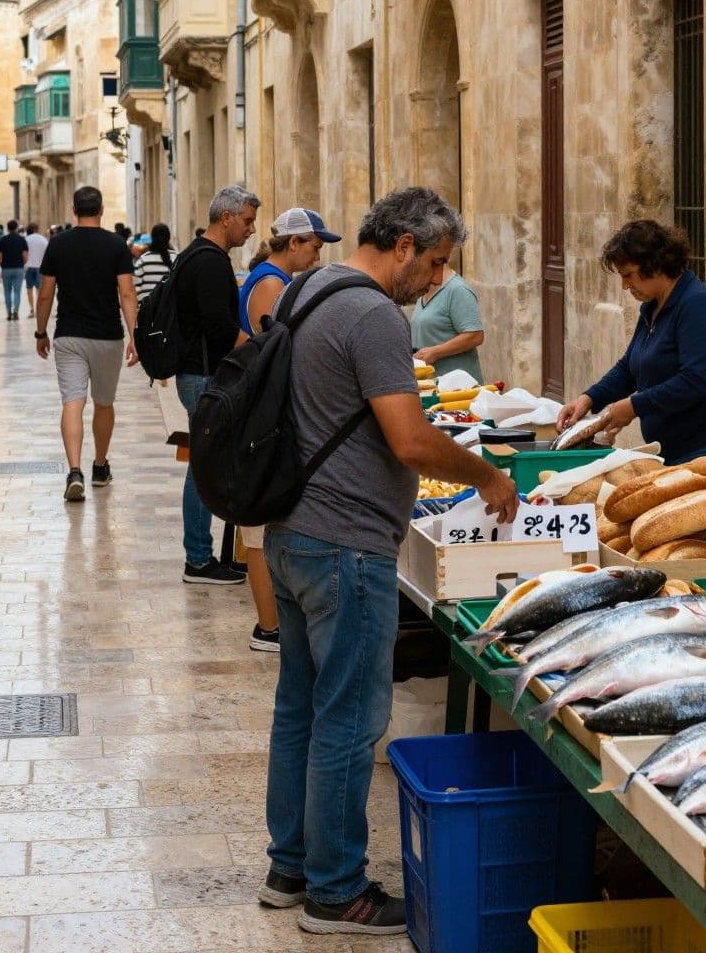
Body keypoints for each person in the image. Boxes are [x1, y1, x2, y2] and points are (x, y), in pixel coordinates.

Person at [259, 187, 517, 936]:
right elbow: (408, 439)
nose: (434, 280)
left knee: (300, 706)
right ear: (402, 244)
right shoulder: (372, 312)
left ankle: (291, 866)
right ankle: (337, 891)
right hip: (346, 543)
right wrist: (486, 474)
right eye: (433, 262)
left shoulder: (310, 287)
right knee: (350, 717)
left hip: (293, 530)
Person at [556, 219, 706, 483]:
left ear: (655, 264)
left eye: (628, 274)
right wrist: (589, 399)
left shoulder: (698, 305)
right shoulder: (652, 308)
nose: (625, 285)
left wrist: (634, 406)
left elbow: (694, 381)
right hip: (674, 450)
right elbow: (629, 368)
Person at [236, 208, 342, 652]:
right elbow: (273, 352)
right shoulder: (272, 284)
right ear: (294, 243)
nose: (317, 256)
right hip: (264, 416)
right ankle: (269, 627)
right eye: (315, 247)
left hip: (261, 413)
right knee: (260, 533)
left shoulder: (268, 277)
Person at [176, 185, 259, 588]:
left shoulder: (198, 254)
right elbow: (220, 327)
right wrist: (263, 347)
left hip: (198, 374)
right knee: (202, 468)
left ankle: (202, 555)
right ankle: (198, 559)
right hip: (203, 376)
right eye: (247, 221)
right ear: (225, 218)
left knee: (202, 465)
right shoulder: (209, 262)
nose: (251, 230)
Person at [33, 186, 139, 502]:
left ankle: (74, 471)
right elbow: (127, 294)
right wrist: (136, 336)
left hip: (69, 335)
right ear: (102, 209)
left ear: (73, 209)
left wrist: (41, 332)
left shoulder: (58, 245)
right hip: (108, 336)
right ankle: (100, 466)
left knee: (72, 402)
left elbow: (45, 294)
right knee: (104, 403)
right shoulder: (117, 245)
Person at [411, 257, 485, 380]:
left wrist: (435, 352)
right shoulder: (425, 288)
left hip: (459, 387)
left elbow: (475, 335)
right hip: (435, 385)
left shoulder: (458, 289)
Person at [133, 222, 176, 302]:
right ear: (168, 238)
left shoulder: (143, 260)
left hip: (147, 309)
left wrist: (142, 303)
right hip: (169, 309)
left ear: (152, 238)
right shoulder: (176, 258)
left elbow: (135, 286)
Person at [0, 220, 29, 320]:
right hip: (18, 268)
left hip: (6, 269)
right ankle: (16, 311)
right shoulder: (21, 239)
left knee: (7, 292)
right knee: (17, 292)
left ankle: (9, 313)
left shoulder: (2, 240)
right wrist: (21, 264)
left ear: (7, 227)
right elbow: (25, 256)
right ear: (16, 228)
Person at [23, 222, 48, 298]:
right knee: (39, 288)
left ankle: (31, 308)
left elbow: (23, 254)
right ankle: (38, 305)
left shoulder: (26, 239)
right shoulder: (44, 240)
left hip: (29, 267)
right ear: (37, 229)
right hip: (40, 267)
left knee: (29, 288)